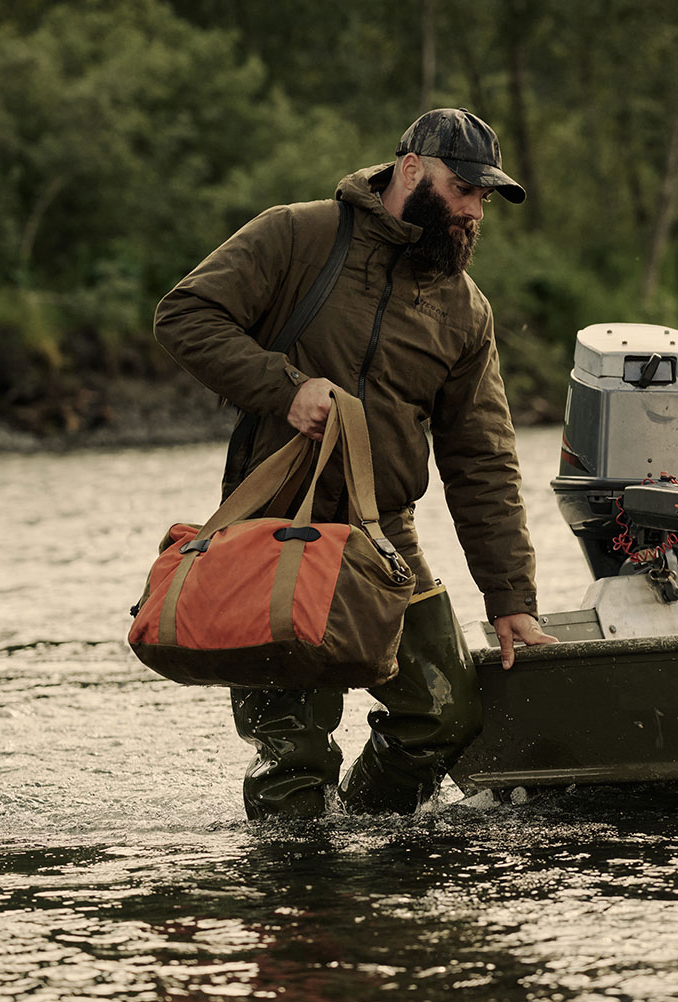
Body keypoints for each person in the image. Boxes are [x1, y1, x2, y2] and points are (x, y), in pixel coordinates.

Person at [154, 107, 557, 818]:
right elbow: (185, 314)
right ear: (410, 171)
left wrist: (511, 598)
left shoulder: (467, 312)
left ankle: (369, 838)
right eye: (463, 190)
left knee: (446, 715)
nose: (473, 211)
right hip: (271, 528)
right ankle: (304, 879)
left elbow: (483, 459)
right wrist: (286, 390)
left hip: (383, 540)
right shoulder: (297, 235)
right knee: (293, 760)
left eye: (484, 198)